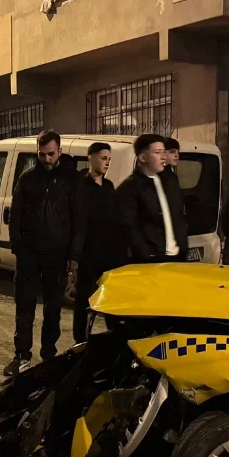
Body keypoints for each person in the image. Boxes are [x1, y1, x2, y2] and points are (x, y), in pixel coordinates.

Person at [6, 130, 77, 375]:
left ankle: (49, 356)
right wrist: (19, 249)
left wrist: (73, 257)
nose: (46, 159)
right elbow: (14, 218)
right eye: (42, 154)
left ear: (59, 151)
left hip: (56, 257)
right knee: (24, 309)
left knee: (53, 310)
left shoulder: (70, 180)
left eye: (51, 154)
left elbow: (76, 220)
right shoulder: (27, 179)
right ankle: (21, 356)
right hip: (29, 256)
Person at [69, 142, 119, 344]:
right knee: (83, 300)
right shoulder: (80, 186)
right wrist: (74, 257)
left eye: (109, 159)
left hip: (107, 254)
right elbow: (78, 223)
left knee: (109, 300)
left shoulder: (109, 187)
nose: (106, 163)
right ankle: (80, 341)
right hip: (87, 254)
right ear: (91, 158)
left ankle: (113, 337)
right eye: (103, 158)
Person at [115, 133, 188, 263]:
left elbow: (178, 217)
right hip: (150, 261)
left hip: (177, 257)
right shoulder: (129, 188)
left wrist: (183, 246)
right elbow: (129, 227)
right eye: (158, 152)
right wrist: (146, 253)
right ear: (142, 157)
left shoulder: (170, 181)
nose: (163, 157)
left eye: (164, 152)